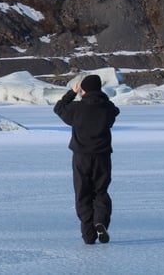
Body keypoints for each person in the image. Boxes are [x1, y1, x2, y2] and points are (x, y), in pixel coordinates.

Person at [53, 74, 120, 244]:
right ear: (99, 89)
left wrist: (72, 93)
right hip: (102, 157)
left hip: (81, 157)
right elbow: (115, 110)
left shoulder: (76, 108)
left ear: (83, 90)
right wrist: (100, 96)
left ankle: (89, 235)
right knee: (100, 191)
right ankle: (100, 222)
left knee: (83, 193)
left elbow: (59, 108)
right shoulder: (107, 108)